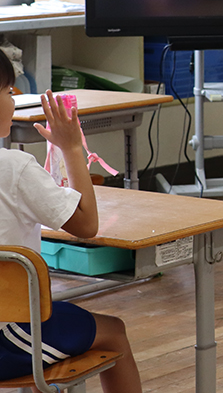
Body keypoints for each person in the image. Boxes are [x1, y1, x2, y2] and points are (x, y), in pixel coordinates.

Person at [0, 52, 142, 391]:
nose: (14, 98)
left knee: (44, 321)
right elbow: (86, 224)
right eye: (7, 92)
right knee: (114, 332)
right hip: (7, 337)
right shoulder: (14, 169)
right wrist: (72, 148)